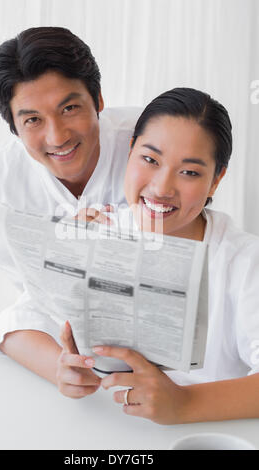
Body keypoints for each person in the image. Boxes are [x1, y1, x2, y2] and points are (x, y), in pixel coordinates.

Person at [72, 88, 259, 424]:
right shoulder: (99, 229)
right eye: (150, 159)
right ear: (130, 151)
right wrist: (71, 367)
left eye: (189, 172)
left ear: (216, 180)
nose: (161, 188)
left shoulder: (245, 261)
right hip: (104, 427)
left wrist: (184, 403)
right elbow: (25, 324)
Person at [0, 26, 140, 393]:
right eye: (33, 119)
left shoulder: (149, 141)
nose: (57, 137)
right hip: (63, 310)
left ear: (98, 98)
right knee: (14, 324)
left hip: (149, 307)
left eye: (69, 108)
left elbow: (191, 235)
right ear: (14, 127)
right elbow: (30, 283)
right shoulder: (1, 178)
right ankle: (68, 372)